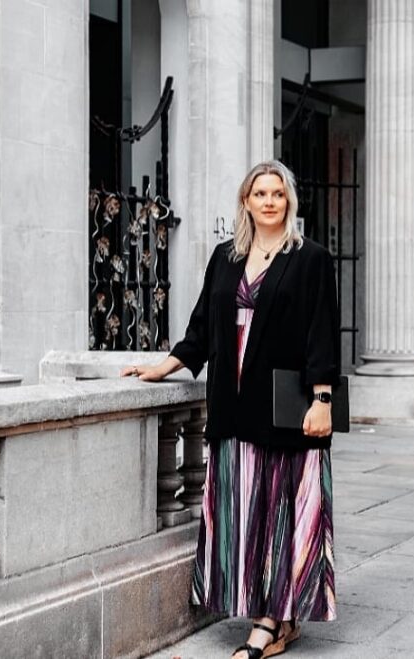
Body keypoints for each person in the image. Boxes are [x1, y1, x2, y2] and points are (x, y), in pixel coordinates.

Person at [121, 160, 340, 659]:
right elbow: (202, 327)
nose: (268, 201)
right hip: (233, 406)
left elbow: (321, 333)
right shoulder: (225, 257)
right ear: (245, 201)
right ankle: (278, 617)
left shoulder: (310, 259)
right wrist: (165, 366)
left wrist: (323, 399)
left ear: (289, 202)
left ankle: (267, 625)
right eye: (259, 193)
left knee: (285, 512)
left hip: (286, 408)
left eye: (277, 194)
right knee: (246, 513)